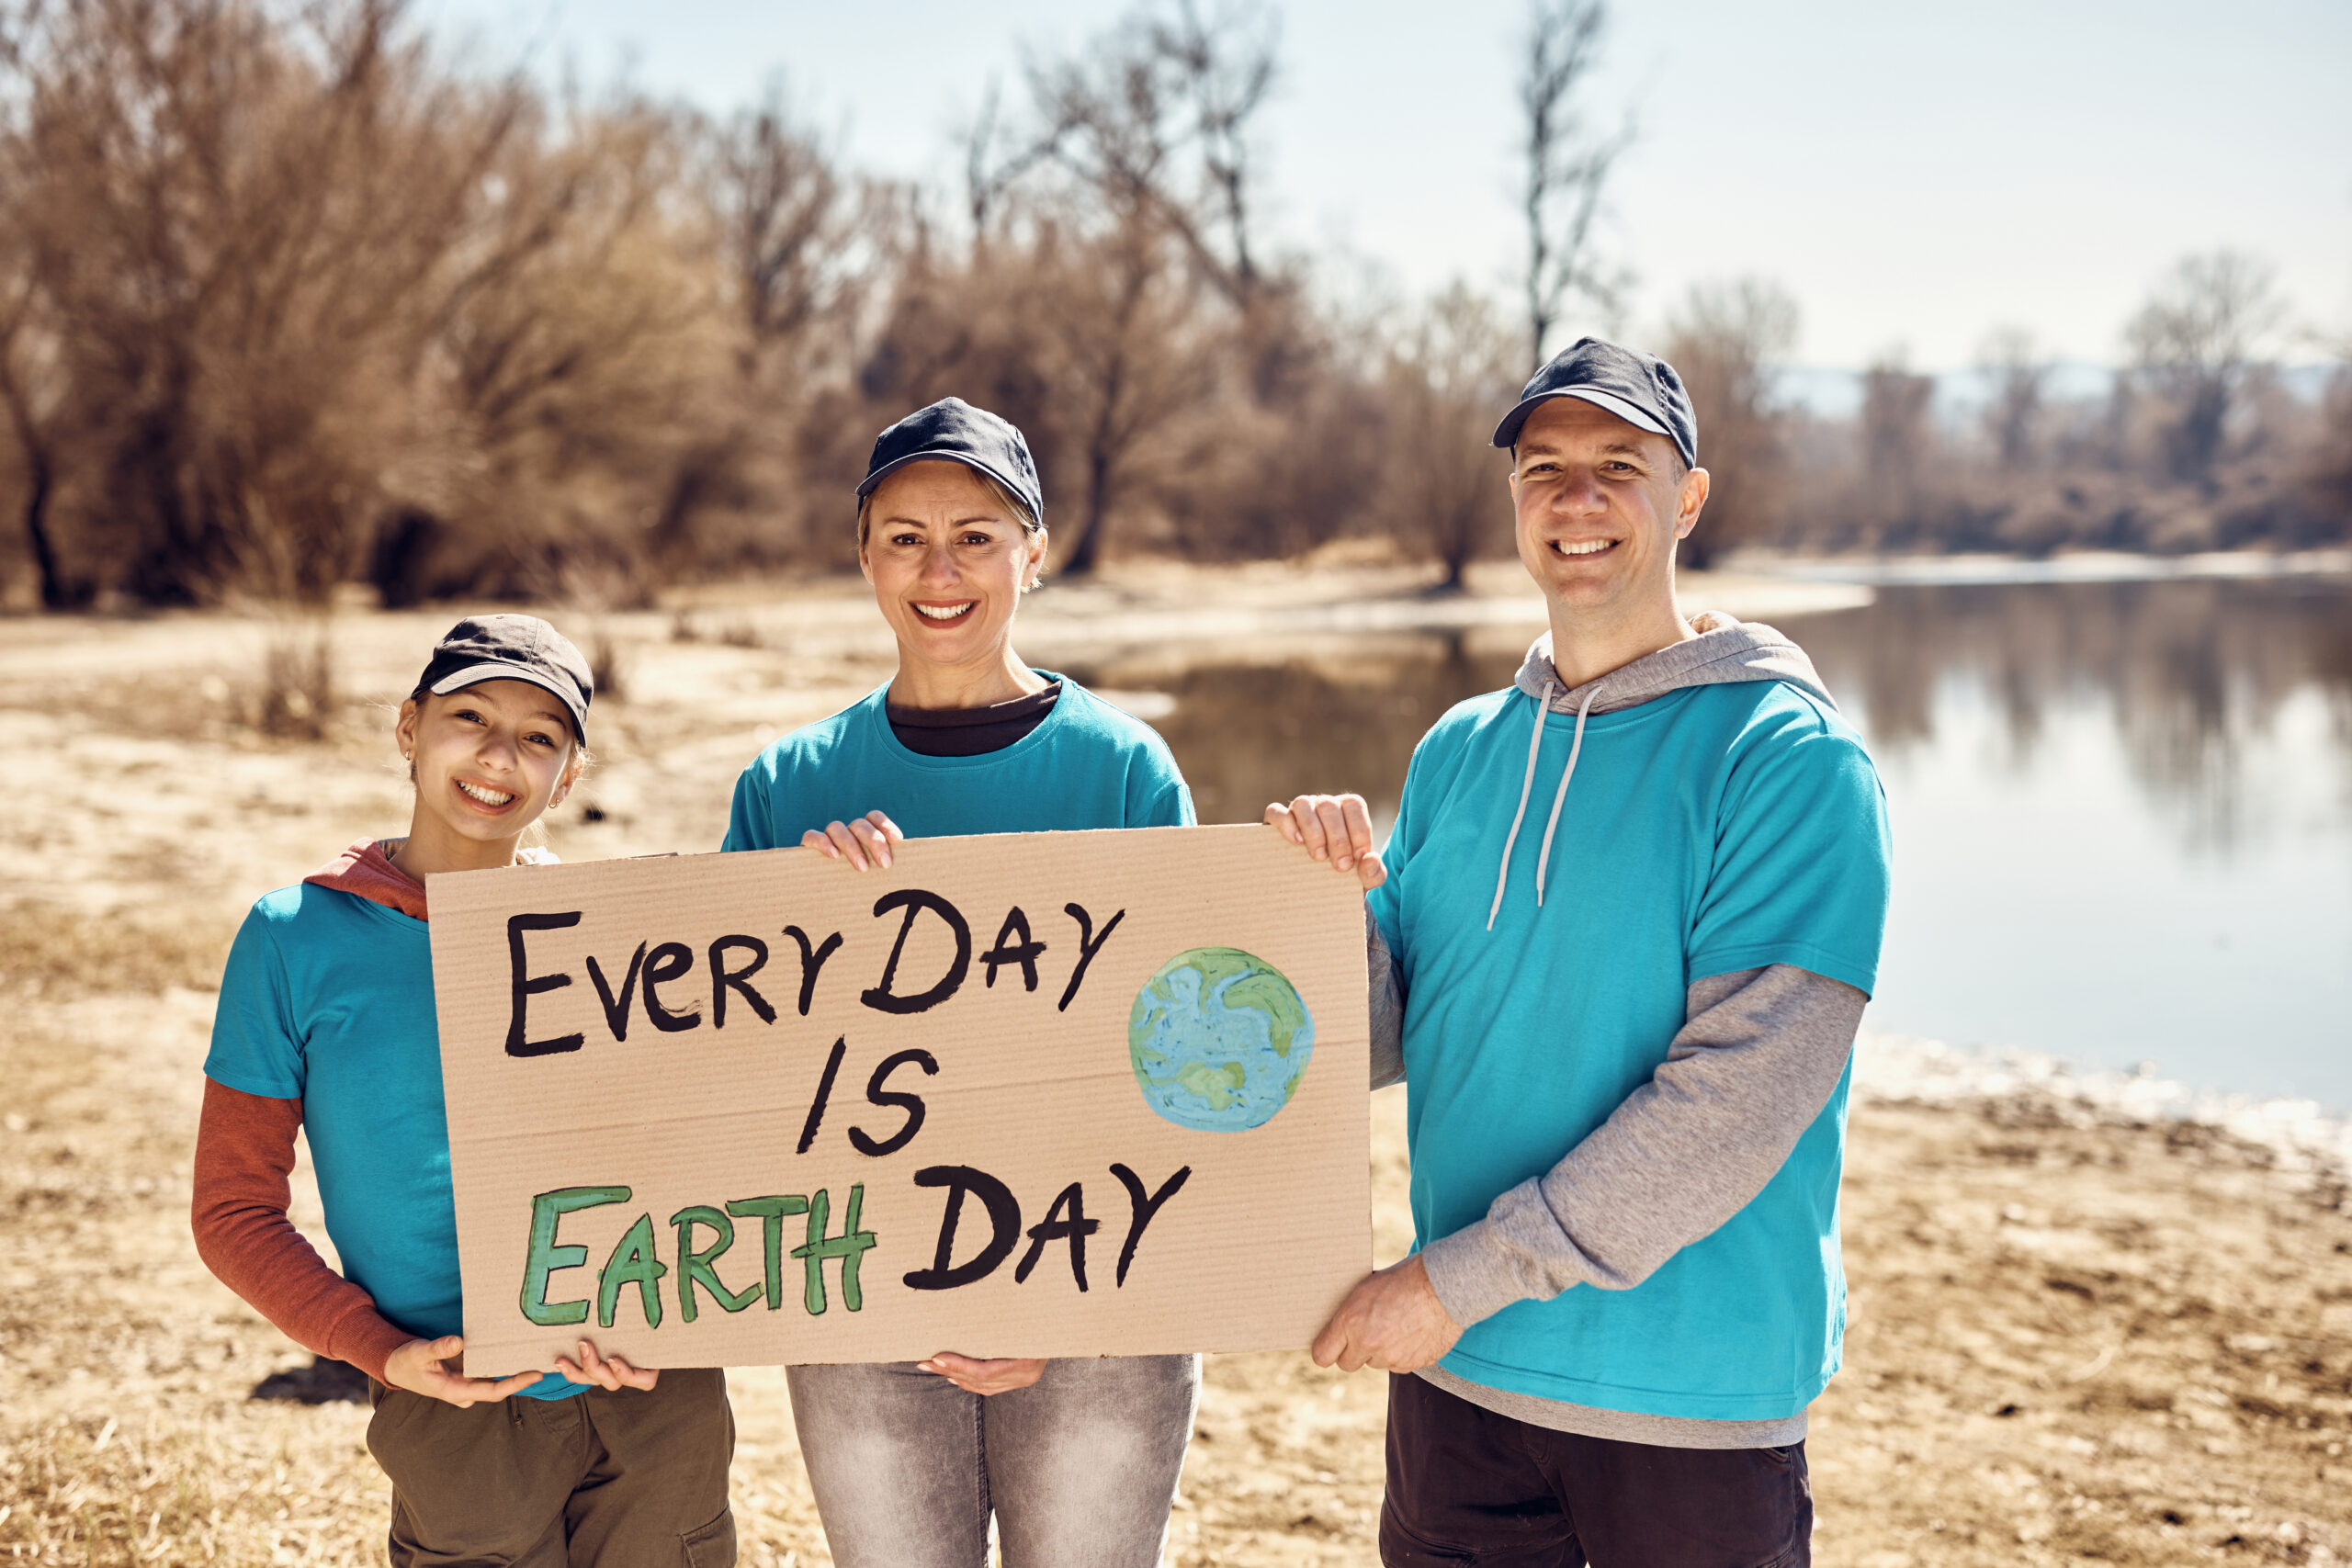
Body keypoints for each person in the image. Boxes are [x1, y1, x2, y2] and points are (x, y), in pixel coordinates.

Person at [1271, 337, 1892, 1568]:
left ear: (1689, 498)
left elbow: (1738, 1098)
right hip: (1462, 1385)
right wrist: (1313, 907)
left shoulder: (1786, 757)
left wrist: (1454, 1279)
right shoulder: (1458, 749)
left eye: (1621, 463)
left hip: (1689, 1399)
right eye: (1545, 466)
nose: (1578, 496)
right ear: (1514, 500)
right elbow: (1393, 1037)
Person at [721, 398, 1196, 1568]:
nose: (940, 569)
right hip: (861, 1302)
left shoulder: (1124, 767)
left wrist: (1061, 1295)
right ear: (864, 556)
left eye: (976, 535)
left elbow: (1181, 1057)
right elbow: (732, 1071)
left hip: (1100, 1303)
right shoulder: (787, 786)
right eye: (904, 537)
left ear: (1032, 552)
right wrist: (795, 921)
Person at [194, 615, 738, 1568]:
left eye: (539, 737)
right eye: (470, 717)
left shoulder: (615, 941)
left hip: (658, 1396)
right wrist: (373, 1347)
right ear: (408, 728)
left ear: (569, 777)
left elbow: (713, 1145)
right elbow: (232, 1209)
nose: (499, 757)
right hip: (457, 1407)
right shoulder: (294, 938)